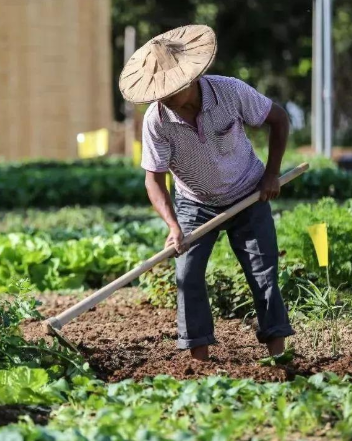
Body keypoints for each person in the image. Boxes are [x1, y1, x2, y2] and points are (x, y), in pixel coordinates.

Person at [119, 24, 294, 361]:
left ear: (191, 79)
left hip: (248, 193)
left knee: (263, 272)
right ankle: (198, 362)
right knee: (187, 274)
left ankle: (277, 355)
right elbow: (153, 180)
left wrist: (271, 174)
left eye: (171, 89)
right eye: (159, 91)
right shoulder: (156, 120)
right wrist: (173, 225)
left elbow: (280, 119)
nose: (165, 97)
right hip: (195, 202)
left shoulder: (230, 92)